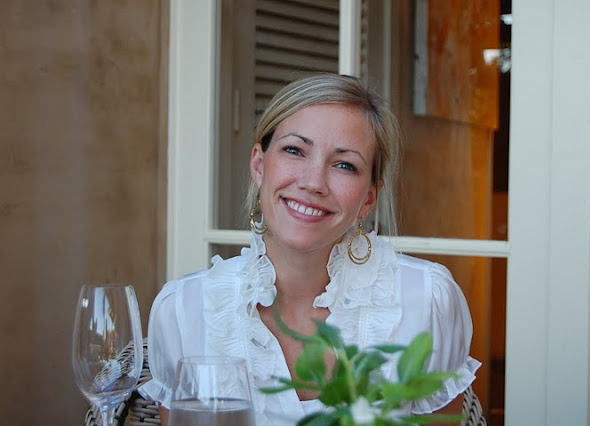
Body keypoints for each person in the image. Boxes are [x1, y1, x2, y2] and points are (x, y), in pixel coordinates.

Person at [140, 73, 480, 425]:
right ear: (259, 165)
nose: (314, 182)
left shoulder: (427, 299)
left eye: (345, 165)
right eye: (295, 150)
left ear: (368, 198)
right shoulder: (183, 310)